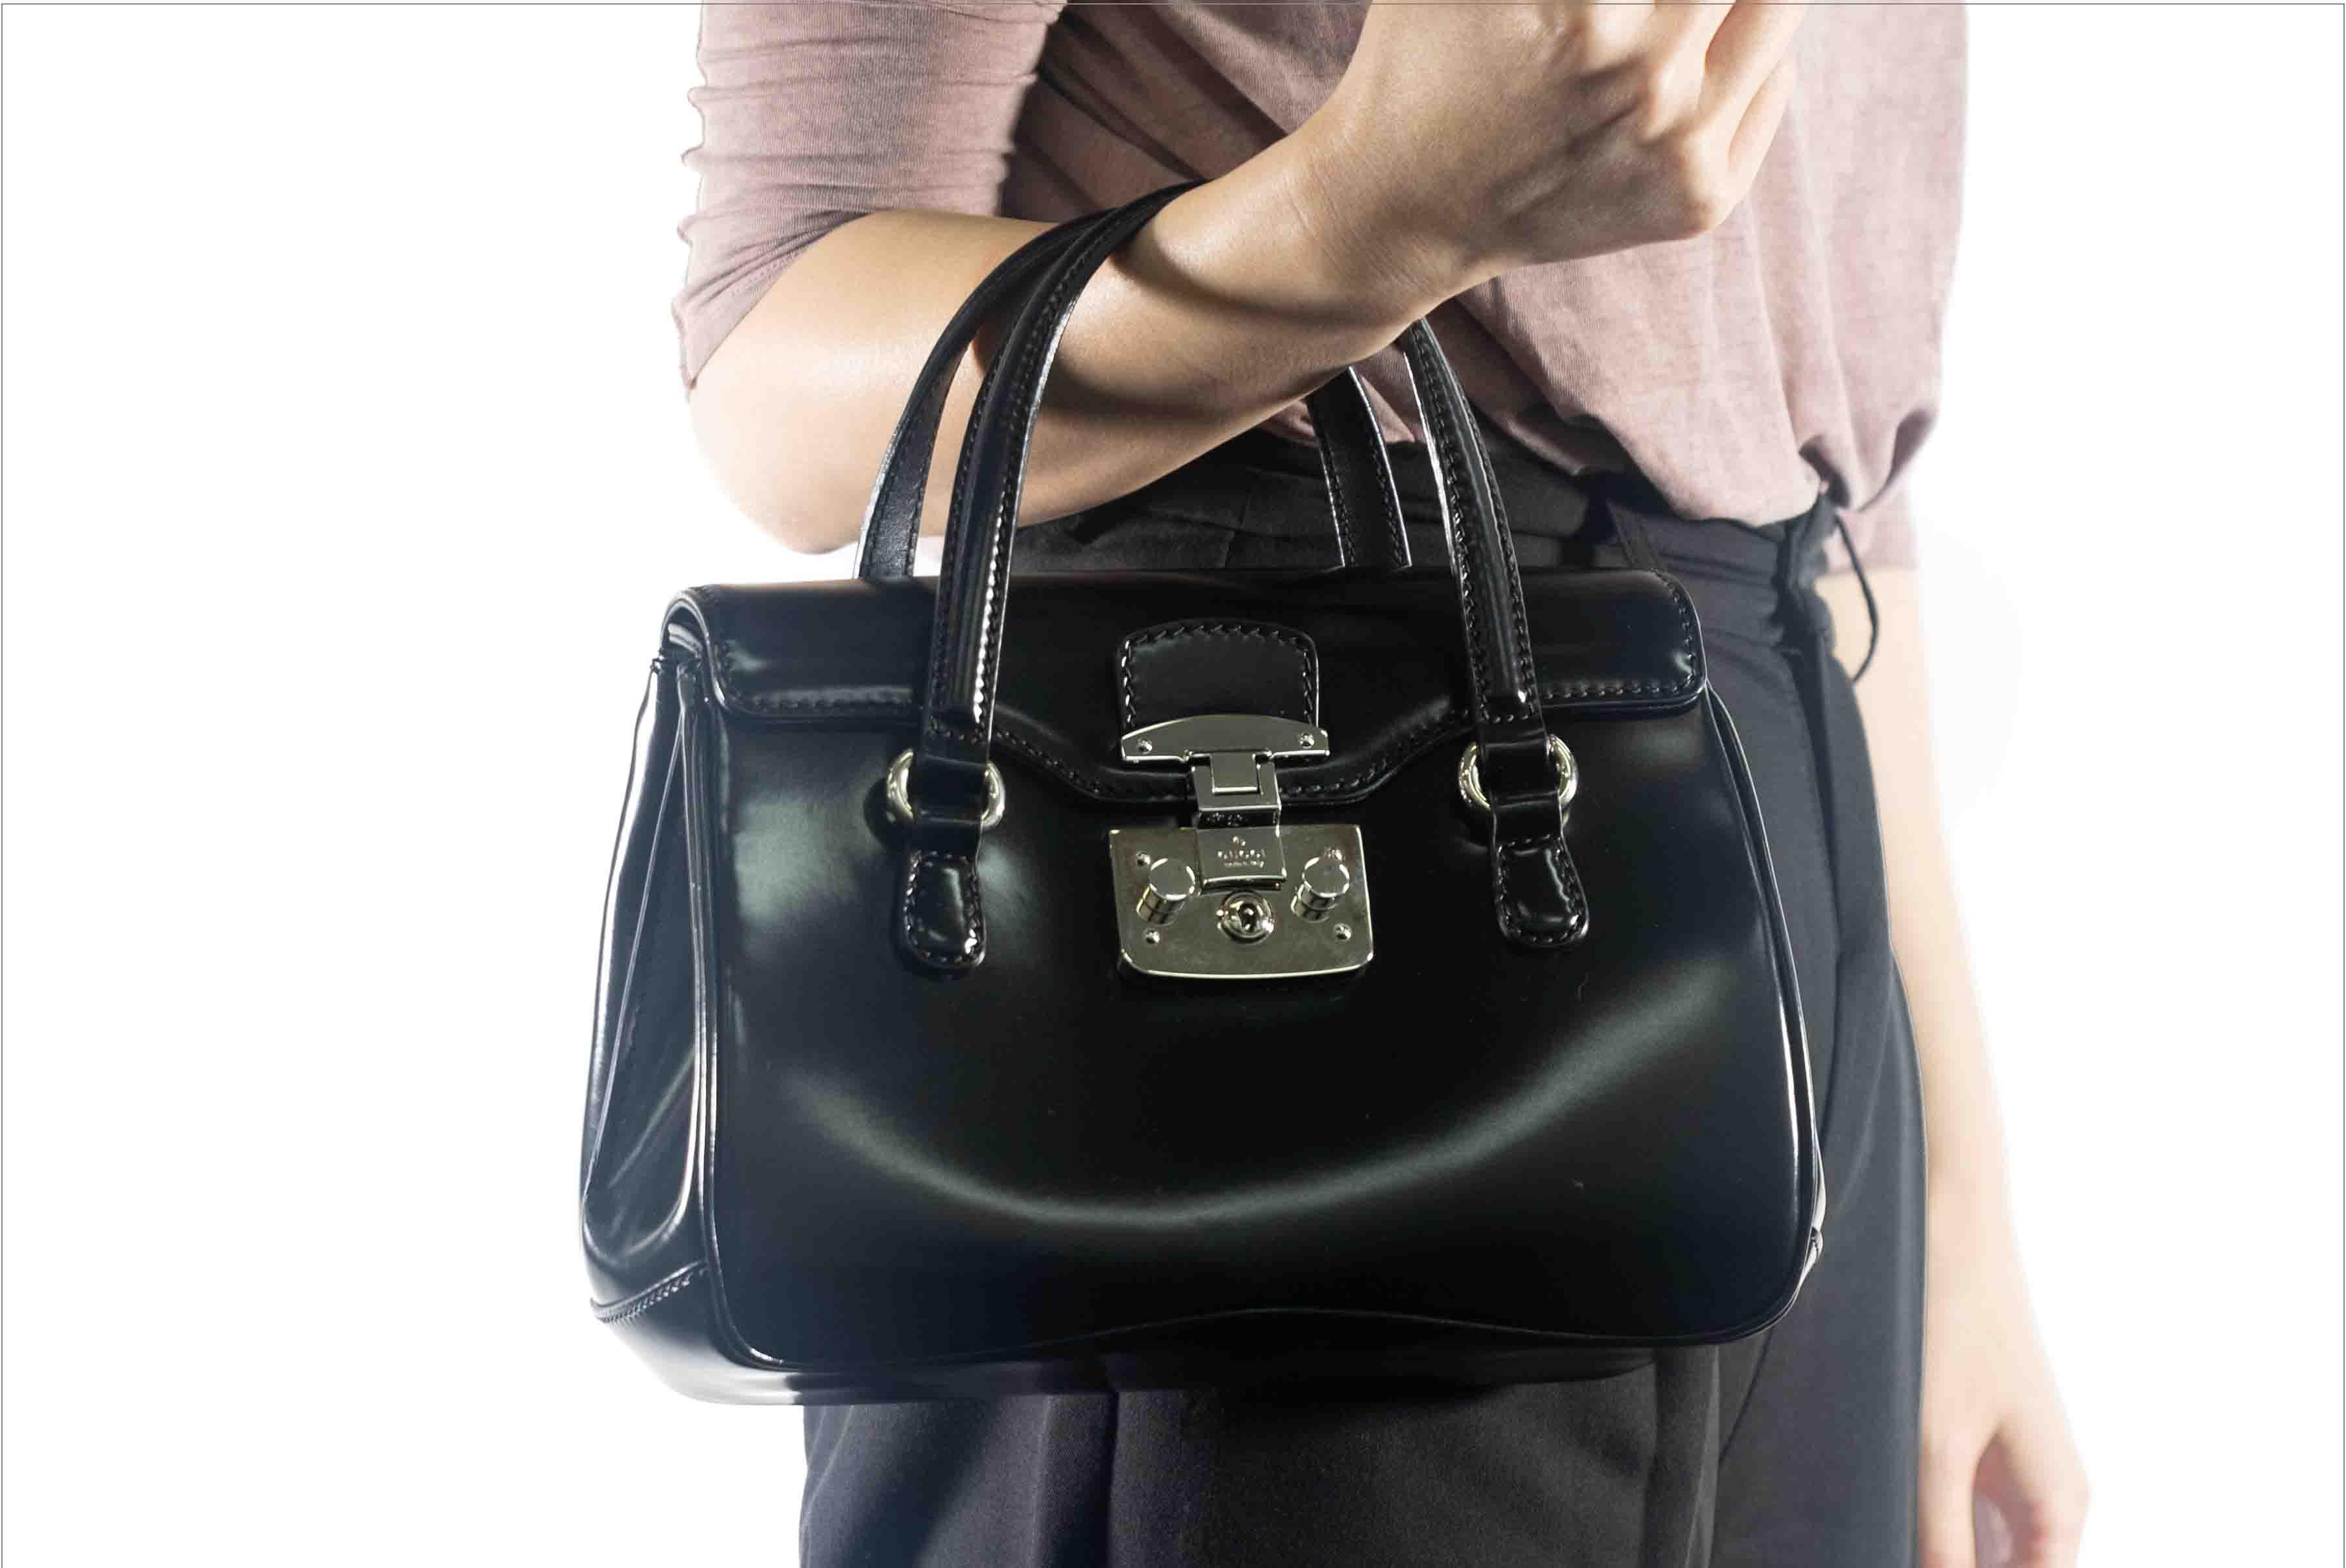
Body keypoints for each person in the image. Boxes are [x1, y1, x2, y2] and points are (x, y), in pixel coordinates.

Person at [672, 5, 2089, 1565]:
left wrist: (1958, 1204)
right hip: (1236, 802)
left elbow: (1845, 501)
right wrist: (1374, 214)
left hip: (1774, 792)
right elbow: (774, 368)